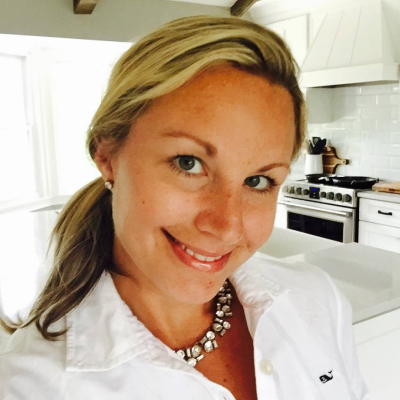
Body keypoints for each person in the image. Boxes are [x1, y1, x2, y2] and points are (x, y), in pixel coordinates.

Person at [0, 15, 369, 400]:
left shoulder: (317, 301)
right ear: (107, 155)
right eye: (188, 163)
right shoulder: (29, 385)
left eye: (258, 181)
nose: (226, 225)